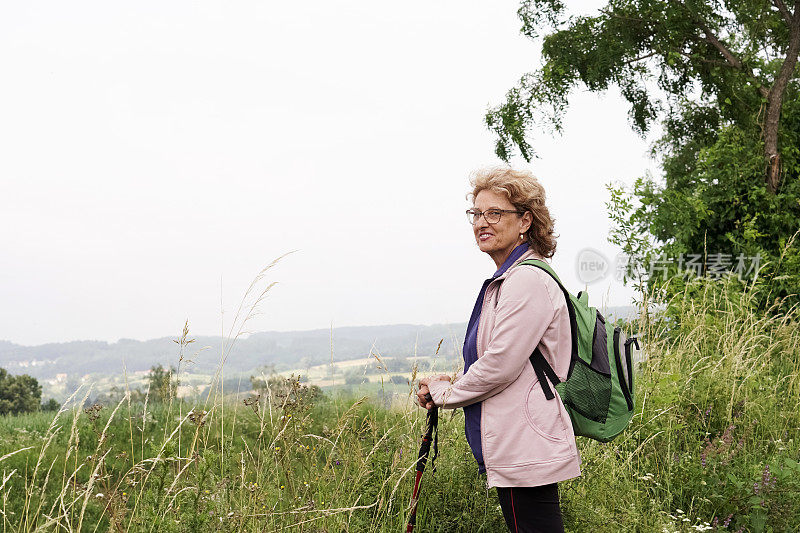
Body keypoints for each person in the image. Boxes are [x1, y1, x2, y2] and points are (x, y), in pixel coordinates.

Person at [416, 167, 580, 533]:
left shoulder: (525, 279)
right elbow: (504, 360)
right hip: (519, 438)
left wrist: (444, 393)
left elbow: (501, 365)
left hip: (525, 441)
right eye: (476, 214)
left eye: (494, 213)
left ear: (525, 221)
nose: (481, 223)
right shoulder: (511, 278)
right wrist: (450, 381)